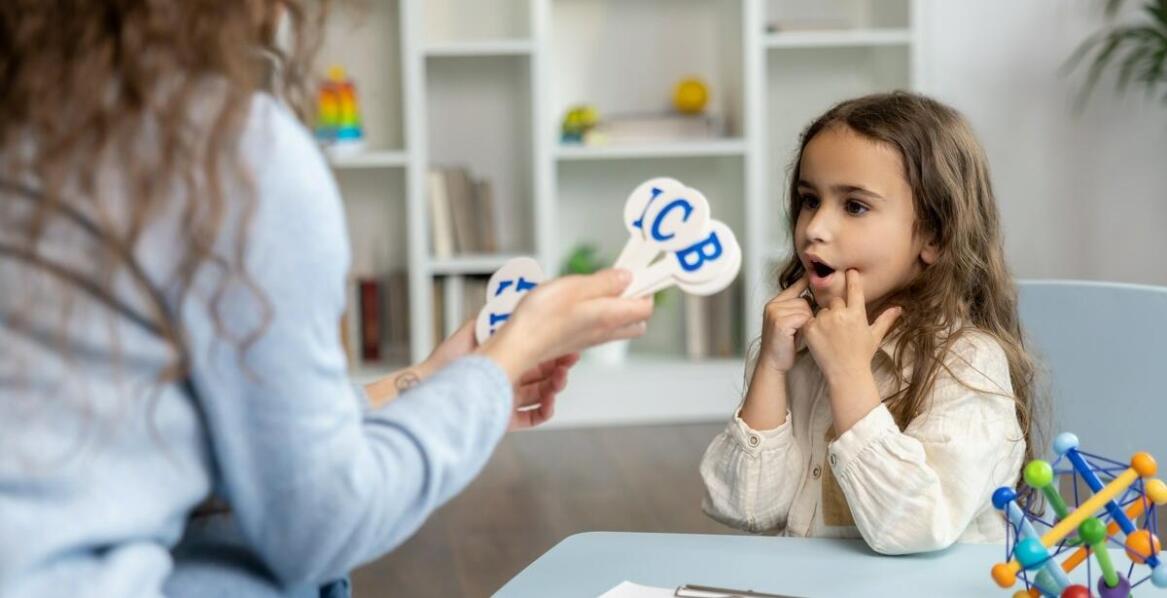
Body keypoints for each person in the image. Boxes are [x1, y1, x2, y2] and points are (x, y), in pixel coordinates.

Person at [0, 2, 652, 596]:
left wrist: (429, 378)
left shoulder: (33, 120)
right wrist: (508, 357)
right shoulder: (232, 151)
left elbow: (201, 438)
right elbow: (319, 521)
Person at [699, 92, 1042, 555]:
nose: (814, 228)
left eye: (855, 206)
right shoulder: (797, 348)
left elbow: (914, 527)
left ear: (934, 235)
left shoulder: (968, 363)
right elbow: (745, 509)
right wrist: (771, 370)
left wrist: (848, 375)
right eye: (809, 200)